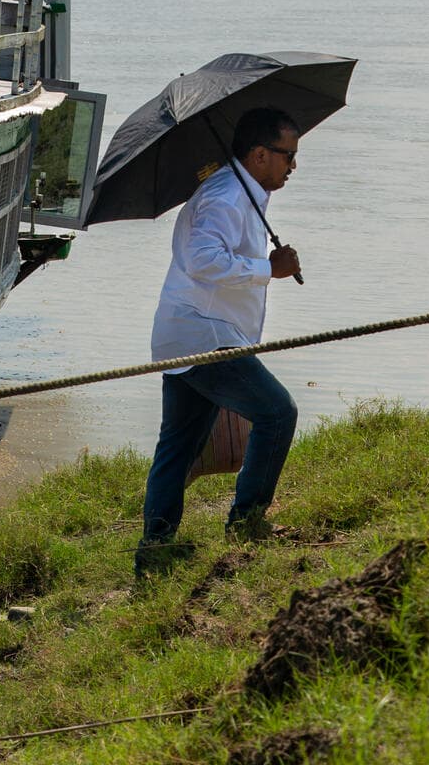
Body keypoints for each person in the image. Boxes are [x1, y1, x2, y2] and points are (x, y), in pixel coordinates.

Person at [136, 106, 305, 573]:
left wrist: (268, 261)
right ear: (258, 154)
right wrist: (267, 269)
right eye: (288, 156)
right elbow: (202, 260)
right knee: (276, 412)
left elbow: (218, 256)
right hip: (204, 333)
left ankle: (155, 550)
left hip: (190, 331)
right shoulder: (226, 196)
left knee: (180, 445)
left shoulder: (240, 192)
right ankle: (246, 521)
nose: (293, 166)